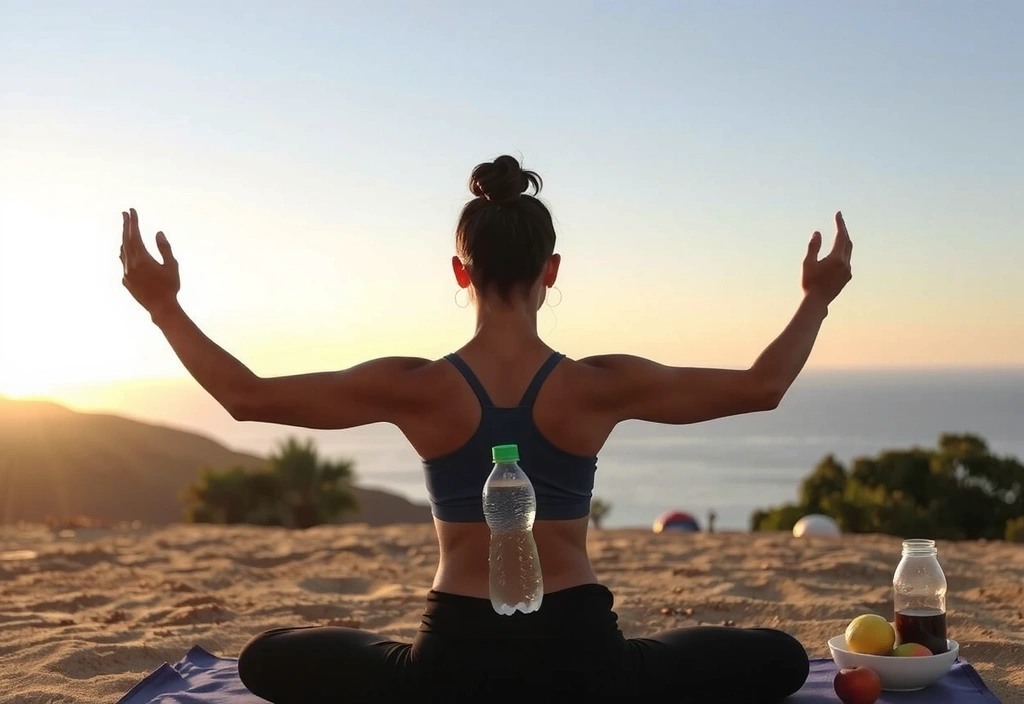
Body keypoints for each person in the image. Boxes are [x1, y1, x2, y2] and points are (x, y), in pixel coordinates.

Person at [118, 154, 853, 703]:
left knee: (267, 657)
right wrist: (817, 298)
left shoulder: (417, 387)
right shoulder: (598, 386)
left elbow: (245, 397)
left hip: (454, 665)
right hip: (585, 661)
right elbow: (764, 387)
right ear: (552, 270)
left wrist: (162, 307)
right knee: (780, 657)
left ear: (460, 272)